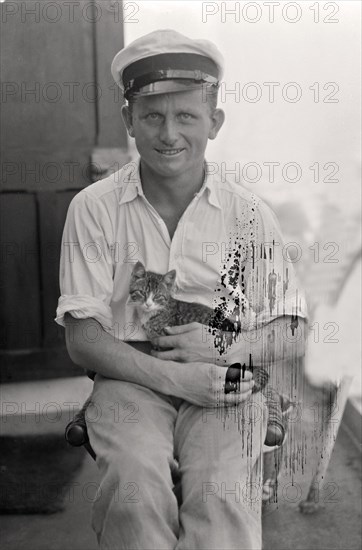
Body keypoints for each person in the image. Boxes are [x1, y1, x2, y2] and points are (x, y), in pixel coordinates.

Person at [56, 29, 307, 550]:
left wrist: (224, 348)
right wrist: (174, 378)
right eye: (152, 116)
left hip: (224, 378)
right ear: (129, 121)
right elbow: (83, 338)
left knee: (222, 496)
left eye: (186, 116)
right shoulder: (94, 208)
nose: (169, 133)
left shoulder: (248, 214)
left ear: (214, 122)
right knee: (133, 486)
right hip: (129, 374)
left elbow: (294, 328)